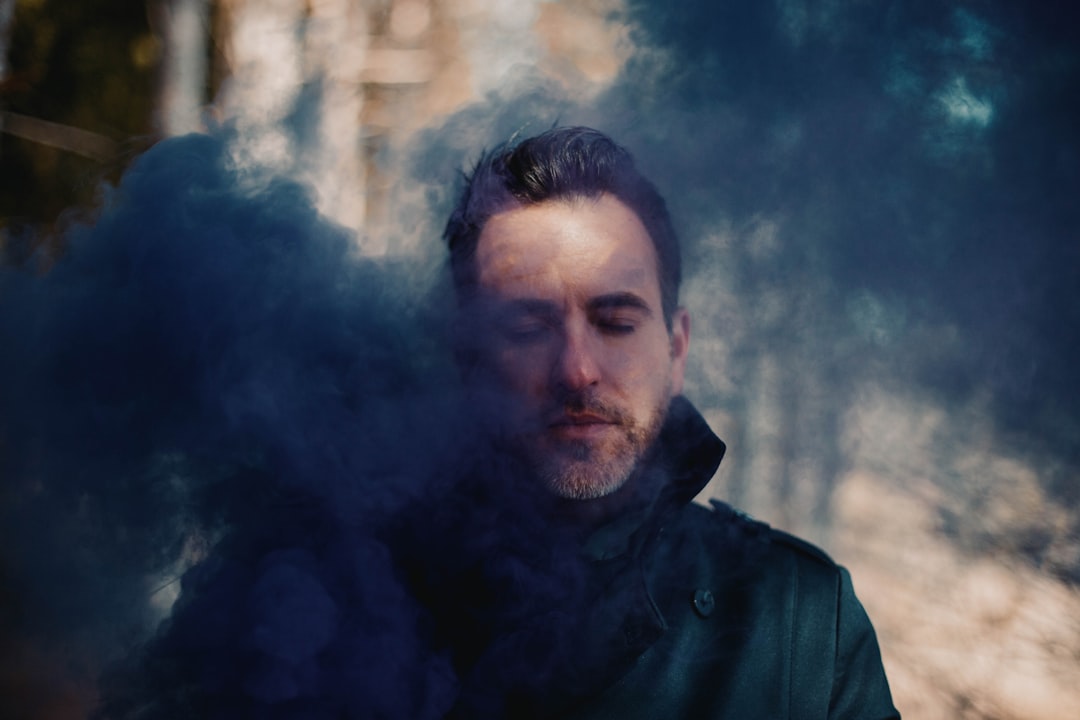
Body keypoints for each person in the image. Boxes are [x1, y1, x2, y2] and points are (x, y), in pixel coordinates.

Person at [429, 125, 901, 719]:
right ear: (467, 359)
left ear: (676, 349)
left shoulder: (798, 626)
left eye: (616, 322)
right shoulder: (347, 598)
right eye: (528, 329)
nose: (577, 371)